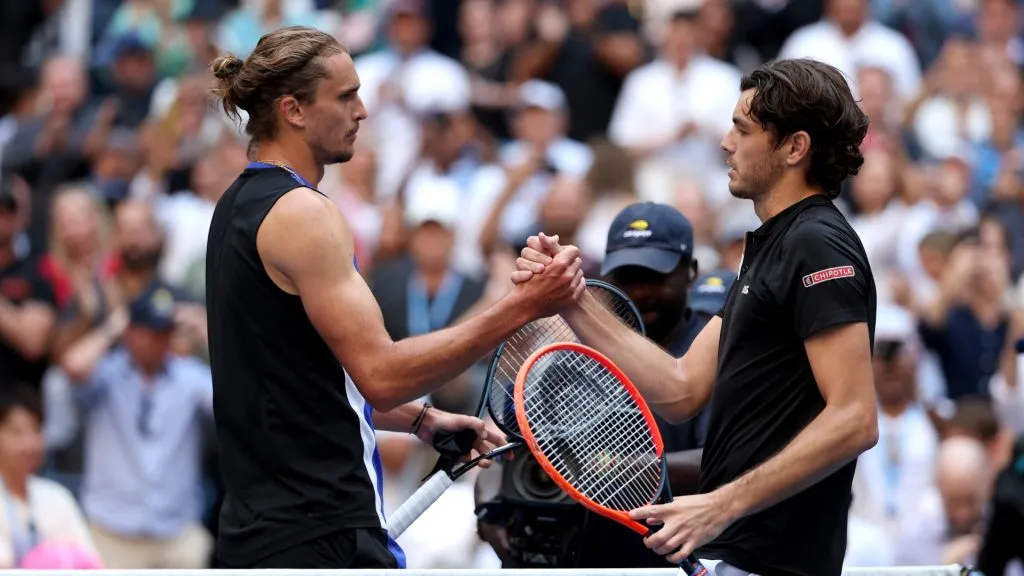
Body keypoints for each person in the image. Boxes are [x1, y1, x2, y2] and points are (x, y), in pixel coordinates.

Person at [204, 26, 584, 569]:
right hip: (319, 535)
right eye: (345, 96)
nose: (362, 111)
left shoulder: (235, 205)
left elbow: (299, 377)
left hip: (266, 533)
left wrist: (420, 421)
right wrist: (523, 306)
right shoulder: (303, 214)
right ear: (293, 109)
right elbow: (381, 373)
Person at [514, 58, 879, 576]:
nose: (726, 142)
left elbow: (855, 419)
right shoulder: (775, 246)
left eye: (743, 129)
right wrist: (571, 298)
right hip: (736, 556)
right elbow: (681, 387)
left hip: (774, 562)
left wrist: (721, 503)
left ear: (795, 148)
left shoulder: (815, 243)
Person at [576, 203, 733, 569]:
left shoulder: (716, 349)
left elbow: (725, 462)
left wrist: (621, 468)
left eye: (655, 276)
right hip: (589, 559)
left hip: (691, 557)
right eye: (627, 277)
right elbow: (515, 458)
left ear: (691, 272)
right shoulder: (574, 354)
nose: (641, 291)